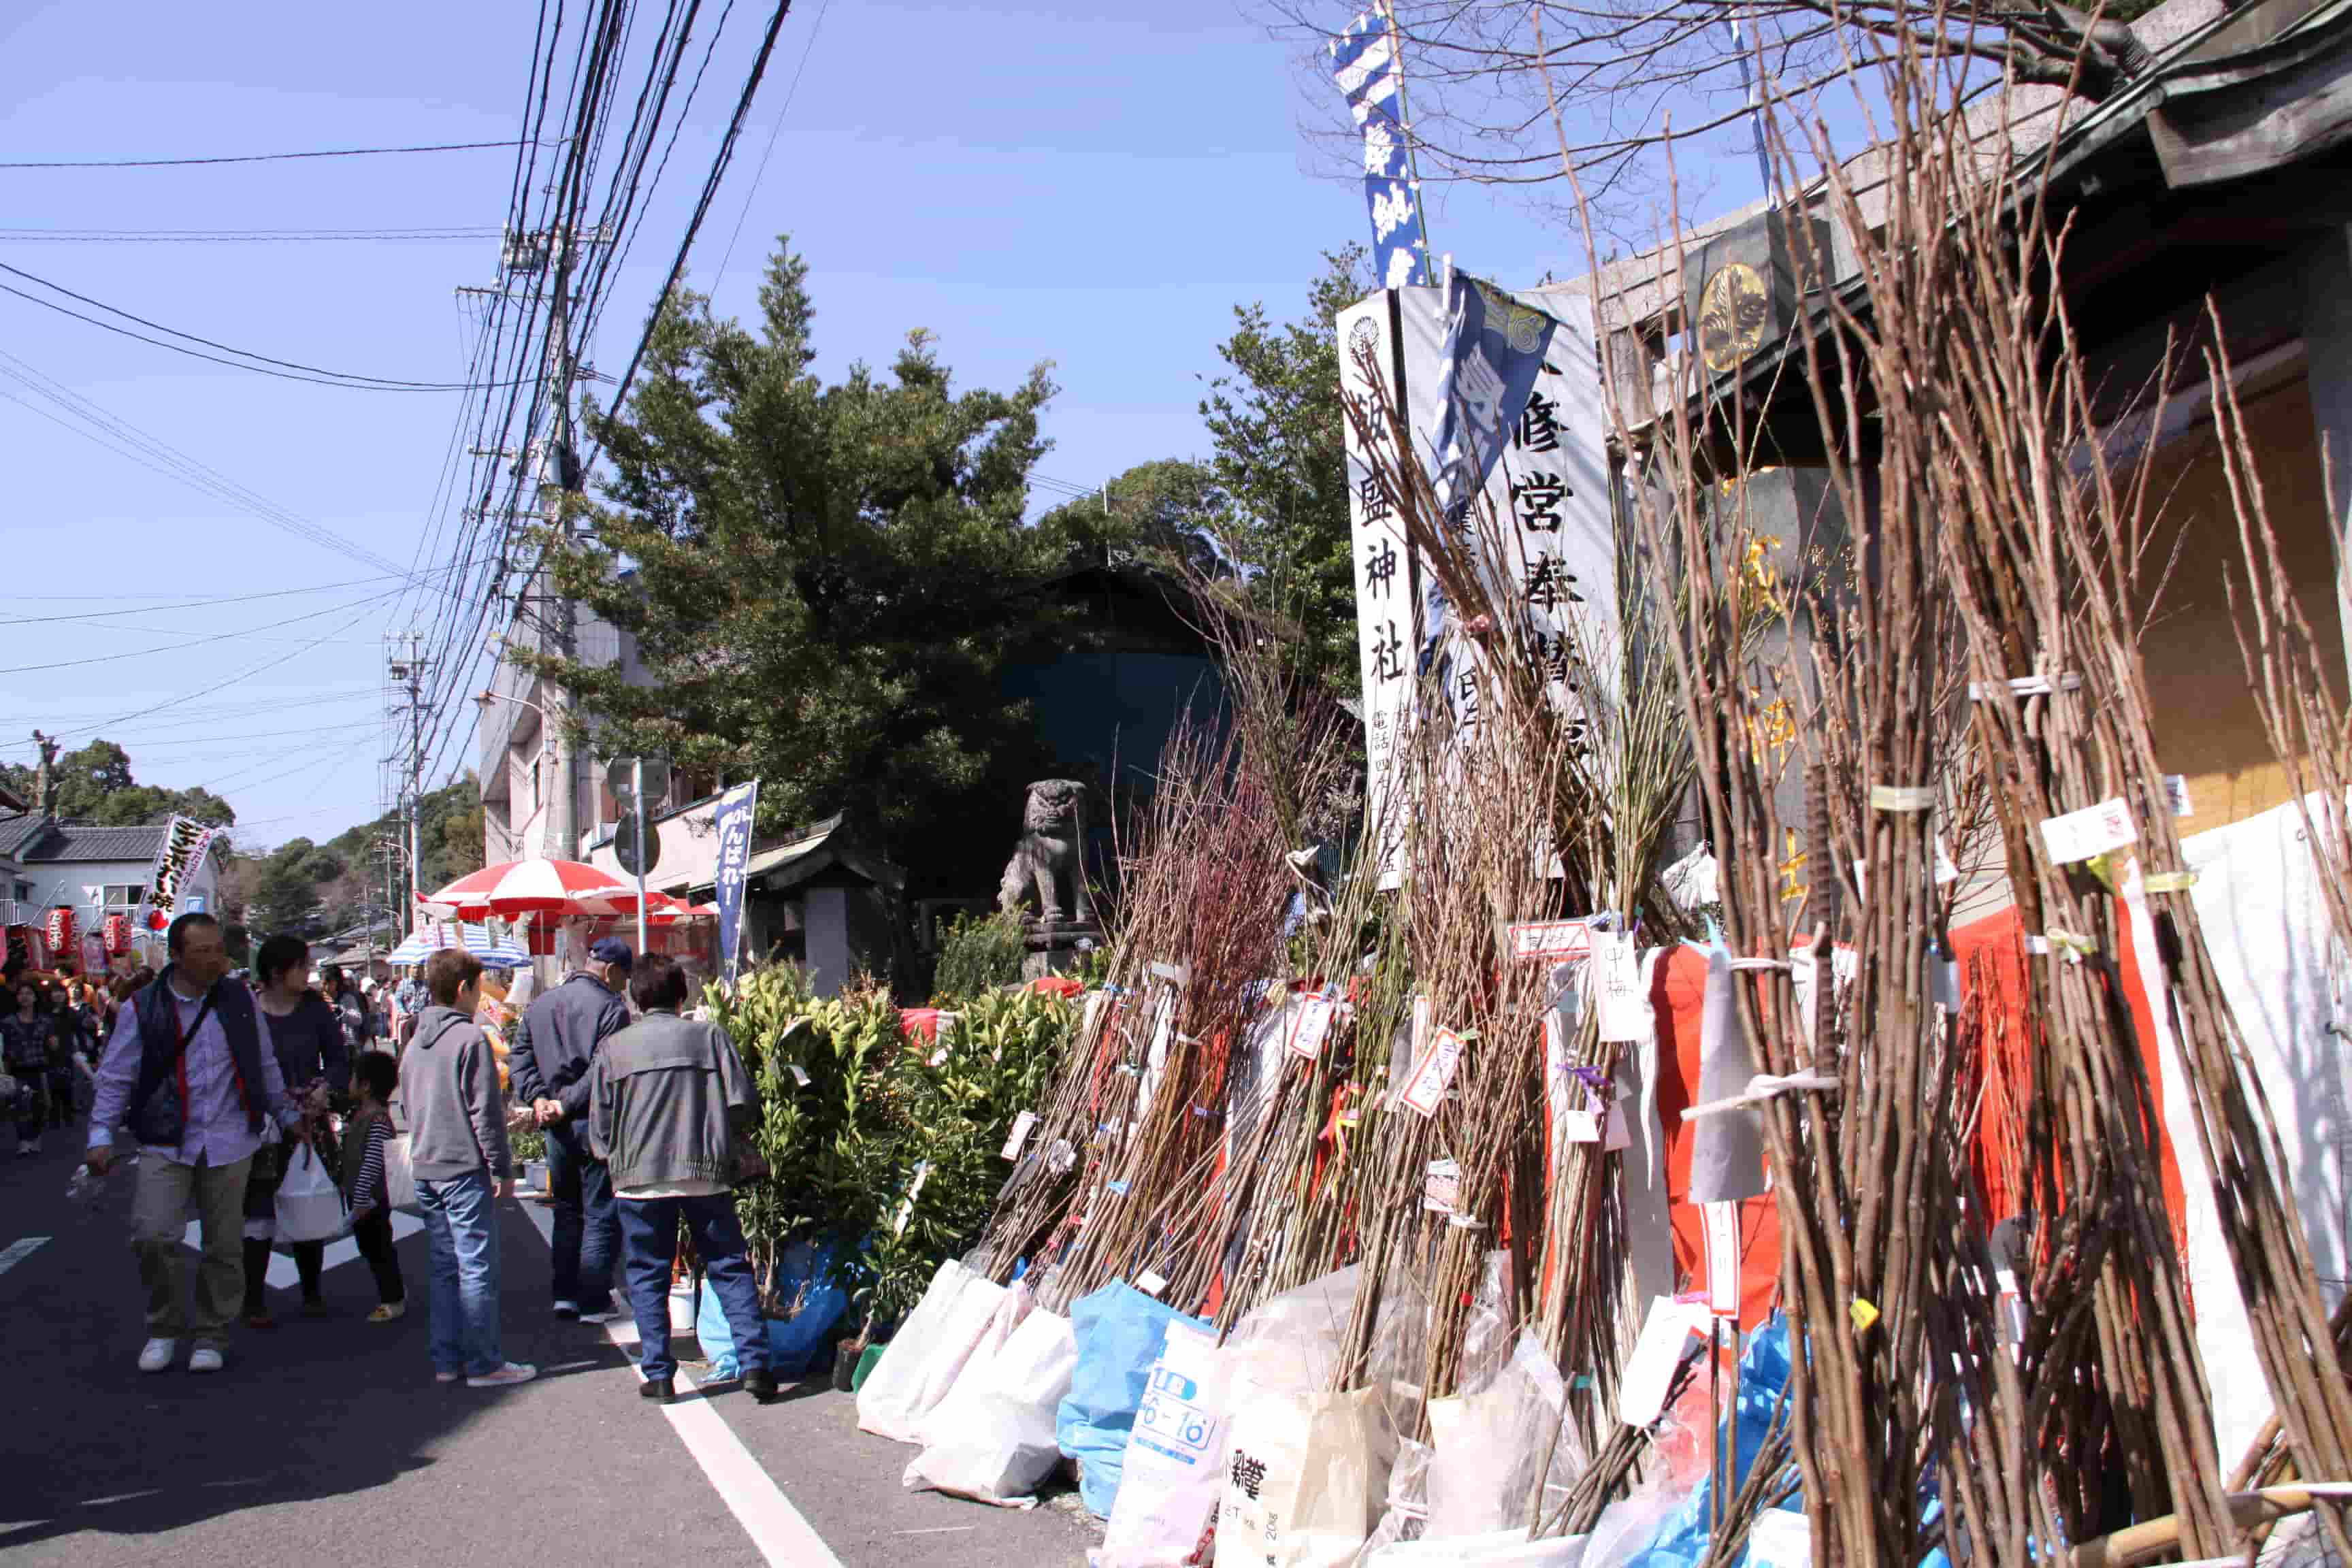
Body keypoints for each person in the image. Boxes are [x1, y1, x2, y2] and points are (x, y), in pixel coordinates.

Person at [84, 913, 310, 1374]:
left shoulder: (241, 1002)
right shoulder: (142, 1007)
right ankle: (164, 1327)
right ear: (177, 956)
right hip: (165, 1140)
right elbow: (114, 1077)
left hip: (231, 1140)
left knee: (224, 1245)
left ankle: (212, 1332)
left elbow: (265, 1066)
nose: (215, 960)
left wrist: (288, 1115)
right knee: (152, 1235)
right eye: (202, 951)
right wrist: (101, 1134)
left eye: (218, 950)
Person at [587, 957, 777, 1405]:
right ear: (681, 997)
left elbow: (599, 1128)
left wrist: (614, 1156)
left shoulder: (614, 1049)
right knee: (730, 1267)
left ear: (634, 997)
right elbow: (742, 1104)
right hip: (705, 1171)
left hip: (639, 1178)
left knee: (648, 1275)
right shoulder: (710, 1038)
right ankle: (756, 1366)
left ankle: (658, 1375)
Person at [399, 947, 534, 1388]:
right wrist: (503, 1170)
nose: (480, 997)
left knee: (443, 1267)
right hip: (462, 1167)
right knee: (476, 1266)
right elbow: (485, 1113)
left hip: (426, 1166)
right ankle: (484, 1363)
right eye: (478, 988)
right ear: (463, 988)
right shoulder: (469, 1039)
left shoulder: (415, 1040)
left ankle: (446, 1359)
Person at [511, 938, 633, 1321]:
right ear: (612, 971)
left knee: (566, 1209)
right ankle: (594, 1301)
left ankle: (564, 1295)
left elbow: (521, 1057)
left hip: (555, 1124)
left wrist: (539, 1099)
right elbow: (604, 1068)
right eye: (624, 977)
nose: (625, 986)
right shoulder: (612, 1009)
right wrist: (567, 1102)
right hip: (593, 1121)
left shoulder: (541, 1004)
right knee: (599, 1211)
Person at [240, 934, 353, 1326]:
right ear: (276, 972)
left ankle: (312, 1292)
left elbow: (340, 1060)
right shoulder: (246, 1010)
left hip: (308, 1121)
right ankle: (252, 1299)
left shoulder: (315, 1010)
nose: (309, 973)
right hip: (259, 1126)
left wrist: (325, 1087)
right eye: (302, 966)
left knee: (308, 1196)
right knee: (257, 1212)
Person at [340, 1050, 407, 1322]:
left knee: (379, 1248)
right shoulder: (362, 1115)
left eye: (354, 1078)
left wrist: (362, 1195)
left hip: (370, 1199)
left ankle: (393, 1300)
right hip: (362, 1196)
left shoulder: (377, 1119)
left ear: (366, 1085)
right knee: (370, 1247)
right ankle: (395, 1291)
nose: (350, 1082)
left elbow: (372, 1161)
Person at [3, 981, 52, 1156]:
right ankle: (23, 1141)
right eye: (21, 994)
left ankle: (36, 1136)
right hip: (18, 1068)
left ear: (35, 997)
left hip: (40, 1067)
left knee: (40, 1104)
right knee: (20, 1104)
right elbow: (5, 1048)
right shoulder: (8, 1022)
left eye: (28, 993)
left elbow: (52, 1045)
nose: (24, 997)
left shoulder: (45, 1021)